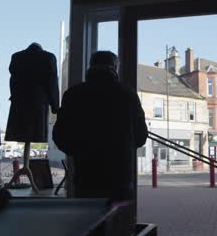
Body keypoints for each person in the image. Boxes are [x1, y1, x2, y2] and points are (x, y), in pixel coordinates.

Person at [53, 51, 148, 201]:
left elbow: (59, 135)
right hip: (120, 176)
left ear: (91, 66)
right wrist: (124, 148)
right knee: (119, 220)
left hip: (87, 175)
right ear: (115, 67)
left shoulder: (73, 94)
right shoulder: (127, 94)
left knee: (89, 220)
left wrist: (78, 151)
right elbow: (141, 136)